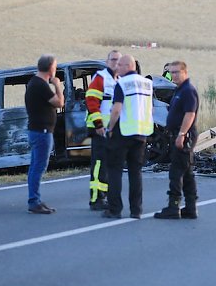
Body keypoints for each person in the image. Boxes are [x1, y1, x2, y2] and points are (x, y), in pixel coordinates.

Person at [102, 54, 154, 220]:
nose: (117, 68)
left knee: (115, 170)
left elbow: (116, 109)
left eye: (120, 65)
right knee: (135, 172)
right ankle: (136, 210)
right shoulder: (147, 83)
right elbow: (150, 108)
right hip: (141, 132)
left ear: (127, 66)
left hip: (123, 131)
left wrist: (110, 128)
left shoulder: (122, 83)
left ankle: (114, 209)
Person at [154, 60, 199, 220]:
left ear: (184, 72)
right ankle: (190, 207)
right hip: (178, 134)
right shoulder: (179, 90)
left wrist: (181, 134)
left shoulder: (188, 91)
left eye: (176, 72)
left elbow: (190, 114)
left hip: (183, 136)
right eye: (171, 72)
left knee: (176, 172)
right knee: (186, 173)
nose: (173, 75)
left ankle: (173, 207)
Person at [25, 54, 64, 214]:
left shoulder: (34, 83)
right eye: (55, 66)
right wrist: (57, 85)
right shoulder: (41, 85)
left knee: (35, 166)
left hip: (37, 131)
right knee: (39, 167)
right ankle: (34, 201)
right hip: (42, 132)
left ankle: (35, 199)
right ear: (50, 68)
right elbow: (60, 103)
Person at [85, 50, 121, 210]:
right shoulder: (101, 78)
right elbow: (91, 101)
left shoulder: (119, 80)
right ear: (107, 62)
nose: (116, 63)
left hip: (111, 130)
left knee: (108, 164)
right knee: (99, 163)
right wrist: (98, 124)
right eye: (113, 59)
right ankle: (96, 198)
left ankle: (104, 196)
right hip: (100, 129)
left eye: (118, 60)